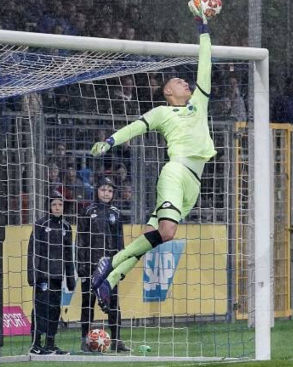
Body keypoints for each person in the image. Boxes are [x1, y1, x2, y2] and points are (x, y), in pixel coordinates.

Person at [88, 6, 217, 313]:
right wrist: (110, 141)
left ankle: (109, 280)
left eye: (186, 82)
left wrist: (204, 27)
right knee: (168, 232)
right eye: (178, 82)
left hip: (194, 184)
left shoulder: (199, 101)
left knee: (155, 235)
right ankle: (113, 262)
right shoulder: (162, 112)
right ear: (167, 91)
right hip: (175, 172)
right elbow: (135, 127)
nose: (186, 84)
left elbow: (205, 64)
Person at [76, 178, 130, 353]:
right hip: (91, 266)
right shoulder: (87, 211)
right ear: (96, 191)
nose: (106, 193)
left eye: (110, 190)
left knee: (114, 303)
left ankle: (117, 340)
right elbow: (81, 240)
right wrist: (82, 265)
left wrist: (121, 265)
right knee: (88, 303)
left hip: (110, 268)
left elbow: (120, 241)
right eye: (103, 190)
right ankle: (85, 339)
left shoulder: (117, 213)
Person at [27, 191, 76, 355]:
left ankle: (50, 343)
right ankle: (36, 343)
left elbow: (69, 254)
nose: (57, 207)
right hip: (42, 275)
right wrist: (33, 275)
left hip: (57, 276)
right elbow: (33, 251)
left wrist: (70, 279)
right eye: (54, 204)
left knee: (54, 310)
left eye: (60, 204)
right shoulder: (41, 225)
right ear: (49, 206)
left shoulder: (66, 227)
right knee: (41, 309)